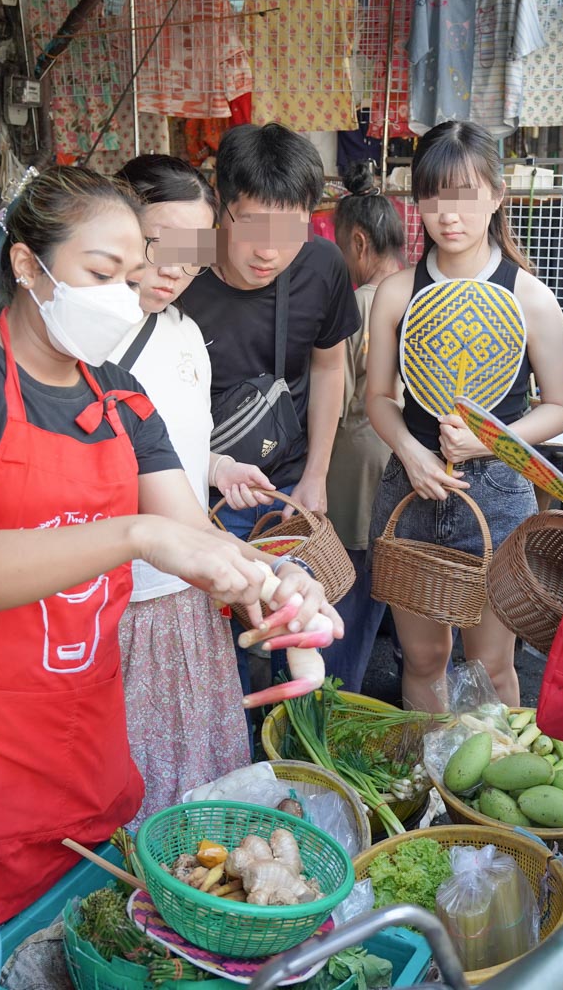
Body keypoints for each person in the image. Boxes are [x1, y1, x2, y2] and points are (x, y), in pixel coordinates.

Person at [0, 166, 340, 921]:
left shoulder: (120, 395)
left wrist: (279, 575)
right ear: (28, 265)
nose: (122, 298)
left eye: (132, 279)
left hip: (86, 722)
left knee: (86, 921)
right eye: (100, 273)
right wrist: (134, 534)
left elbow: (193, 532)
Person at [365, 120, 563, 711]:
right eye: (432, 196)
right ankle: (429, 792)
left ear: (496, 194)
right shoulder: (397, 291)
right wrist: (411, 452)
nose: (447, 214)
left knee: (491, 664)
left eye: (464, 195)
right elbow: (379, 399)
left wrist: (494, 441)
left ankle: (487, 796)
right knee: (424, 659)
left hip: (499, 493)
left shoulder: (528, 295)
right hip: (410, 490)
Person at [107, 154, 270, 822]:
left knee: (193, 768)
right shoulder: (80, 343)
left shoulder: (186, 336)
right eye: (158, 245)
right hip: (113, 600)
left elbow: (170, 446)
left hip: (187, 587)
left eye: (191, 253)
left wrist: (216, 466)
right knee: (123, 773)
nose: (175, 269)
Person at [173, 123, 362, 697]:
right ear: (220, 207)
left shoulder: (322, 266)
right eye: (251, 225)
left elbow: (329, 368)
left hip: (284, 495)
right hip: (192, 496)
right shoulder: (177, 265)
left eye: (290, 229)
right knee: (214, 661)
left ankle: (296, 764)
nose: (270, 251)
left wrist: (315, 476)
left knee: (303, 649)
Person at [322, 161, 405, 692]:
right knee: (387, 584)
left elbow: (339, 397)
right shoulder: (423, 297)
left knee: (345, 599)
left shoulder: (357, 306)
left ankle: (333, 702)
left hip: (356, 465)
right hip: (406, 461)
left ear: (358, 241)